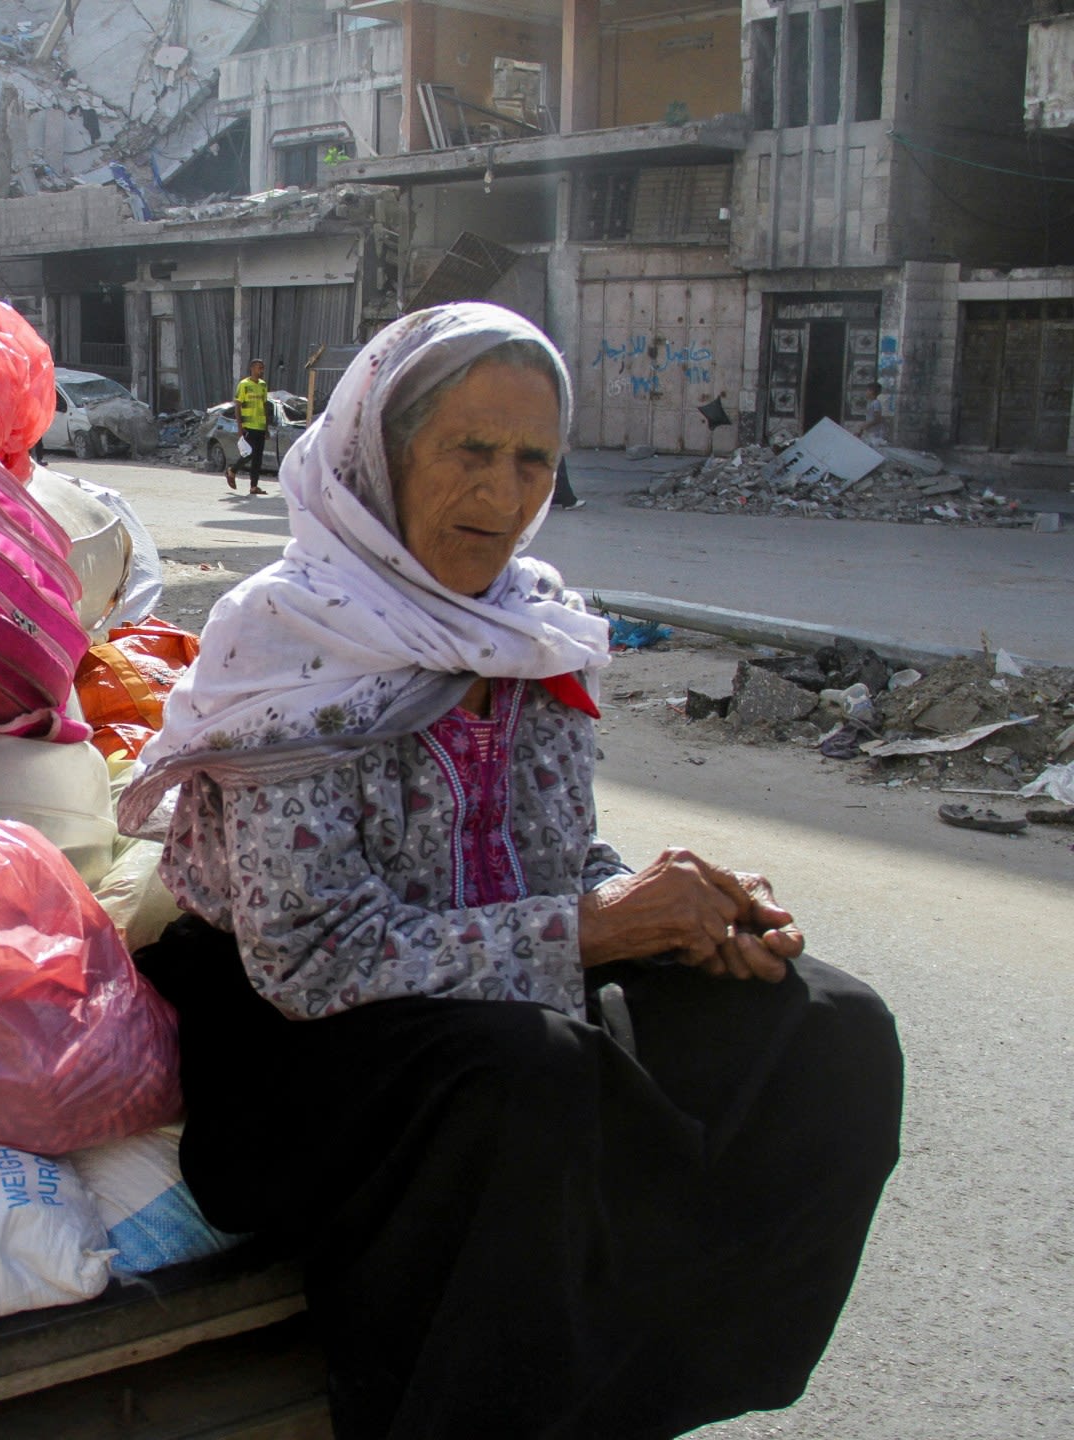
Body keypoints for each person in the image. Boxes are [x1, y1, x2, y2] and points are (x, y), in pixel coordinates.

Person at [122, 303, 902, 1440]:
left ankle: (641, 1389)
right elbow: (313, 956)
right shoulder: (287, 636)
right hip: (303, 1051)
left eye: (533, 458)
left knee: (825, 1022)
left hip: (494, 995)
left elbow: (553, 856)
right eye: (469, 452)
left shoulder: (529, 627)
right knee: (532, 1077)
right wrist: (596, 929)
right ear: (382, 457)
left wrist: (681, 912)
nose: (503, 491)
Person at [224, 357, 271, 497]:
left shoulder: (263, 385)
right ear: (252, 368)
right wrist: (240, 426)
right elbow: (237, 406)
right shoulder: (243, 385)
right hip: (248, 425)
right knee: (248, 453)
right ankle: (232, 470)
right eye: (258, 367)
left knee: (258, 457)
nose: (261, 370)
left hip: (260, 426)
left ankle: (254, 486)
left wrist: (266, 427)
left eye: (262, 368)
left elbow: (264, 406)